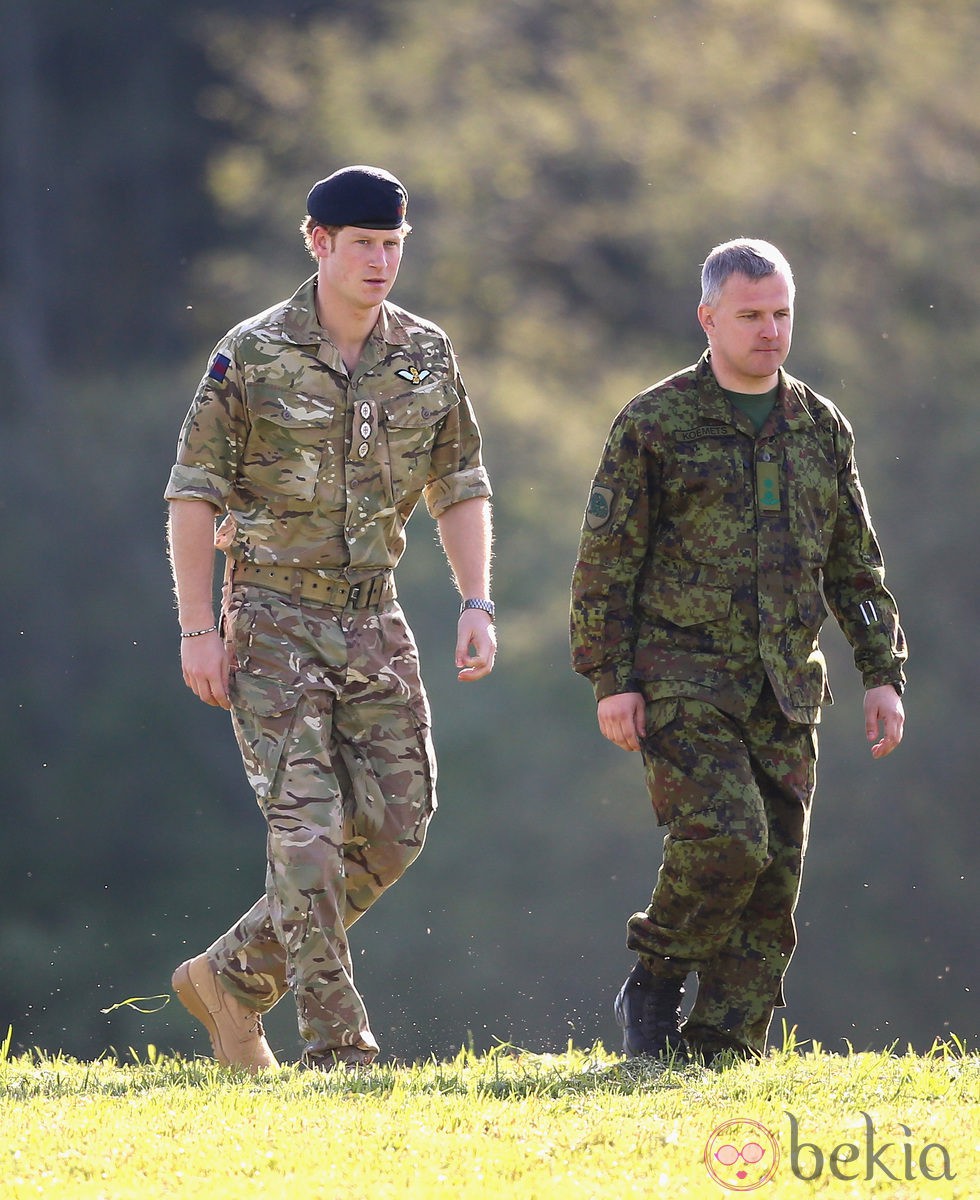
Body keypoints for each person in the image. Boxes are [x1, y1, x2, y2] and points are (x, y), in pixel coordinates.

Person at [165, 165, 496, 1072]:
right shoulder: (254, 353)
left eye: (392, 245)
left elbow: (459, 483)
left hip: (375, 619)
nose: (380, 262)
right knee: (305, 835)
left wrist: (476, 601)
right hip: (269, 614)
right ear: (318, 243)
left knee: (397, 830)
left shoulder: (427, 354)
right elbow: (194, 493)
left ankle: (231, 978)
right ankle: (338, 1047)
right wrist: (199, 627)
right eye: (363, 245)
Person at [569, 238, 906, 1064]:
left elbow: (854, 564)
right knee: (728, 841)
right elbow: (607, 563)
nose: (769, 331)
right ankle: (652, 983)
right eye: (750, 315)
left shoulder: (820, 427)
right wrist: (613, 680)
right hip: (682, 681)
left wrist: (882, 673)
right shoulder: (655, 422)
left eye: (782, 313)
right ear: (709, 318)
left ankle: (724, 1049)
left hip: (787, 689)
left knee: (773, 882)